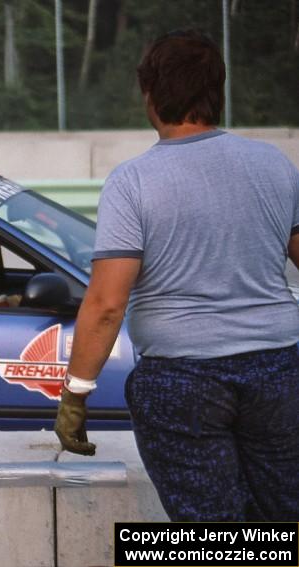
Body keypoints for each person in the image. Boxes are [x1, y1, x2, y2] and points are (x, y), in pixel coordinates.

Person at [54, 30, 299, 521]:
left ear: (150, 94)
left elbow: (106, 304)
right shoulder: (274, 163)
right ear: (218, 93)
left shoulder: (134, 181)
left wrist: (75, 395)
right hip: (279, 369)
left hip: (180, 381)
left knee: (210, 536)